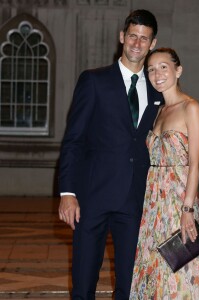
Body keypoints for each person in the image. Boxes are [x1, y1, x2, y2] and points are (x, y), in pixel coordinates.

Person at [58, 10, 163, 300]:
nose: (137, 44)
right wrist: (67, 192)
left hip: (134, 201)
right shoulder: (93, 80)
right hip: (92, 198)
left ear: (152, 43)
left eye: (144, 38)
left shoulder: (158, 88)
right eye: (133, 36)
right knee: (83, 281)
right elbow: (74, 140)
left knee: (130, 287)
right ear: (122, 37)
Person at [130, 48, 199, 299]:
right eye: (151, 69)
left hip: (178, 200)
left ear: (178, 70)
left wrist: (188, 210)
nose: (156, 74)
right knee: (155, 265)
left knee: (183, 265)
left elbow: (196, 163)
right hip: (154, 201)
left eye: (163, 67)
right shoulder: (158, 111)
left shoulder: (191, 107)